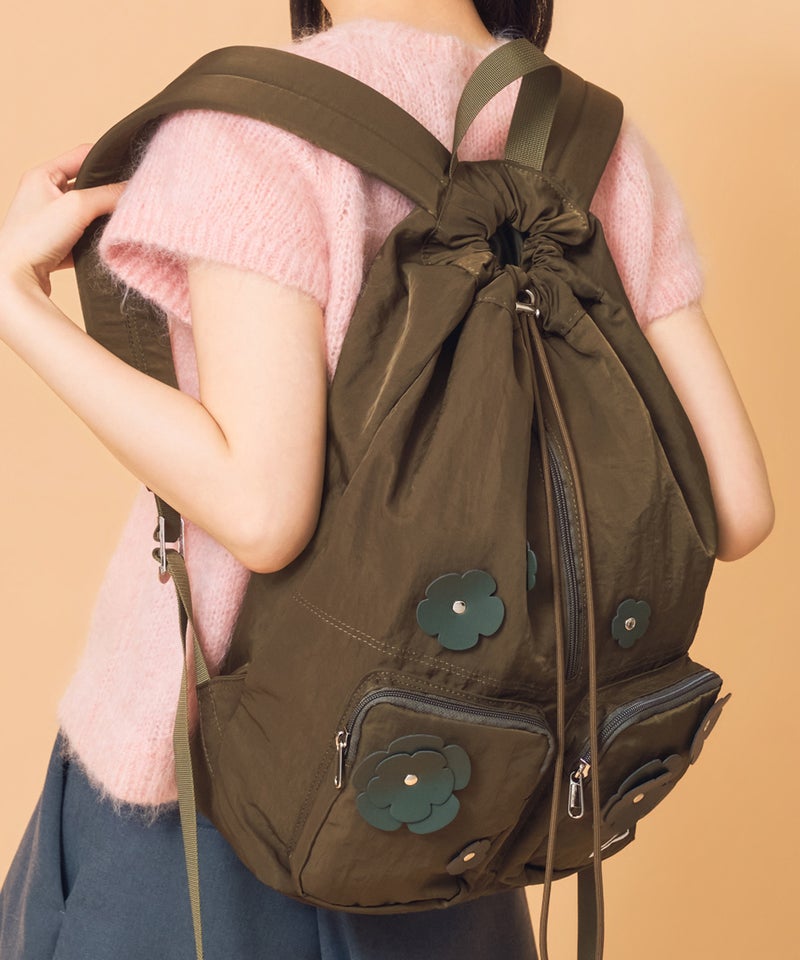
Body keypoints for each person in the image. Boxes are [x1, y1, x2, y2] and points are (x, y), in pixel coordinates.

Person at [0, 1, 775, 958]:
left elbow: (262, 511)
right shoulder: (595, 143)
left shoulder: (250, 124)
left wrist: (17, 307)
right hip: (473, 799)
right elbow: (737, 507)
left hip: (222, 806)